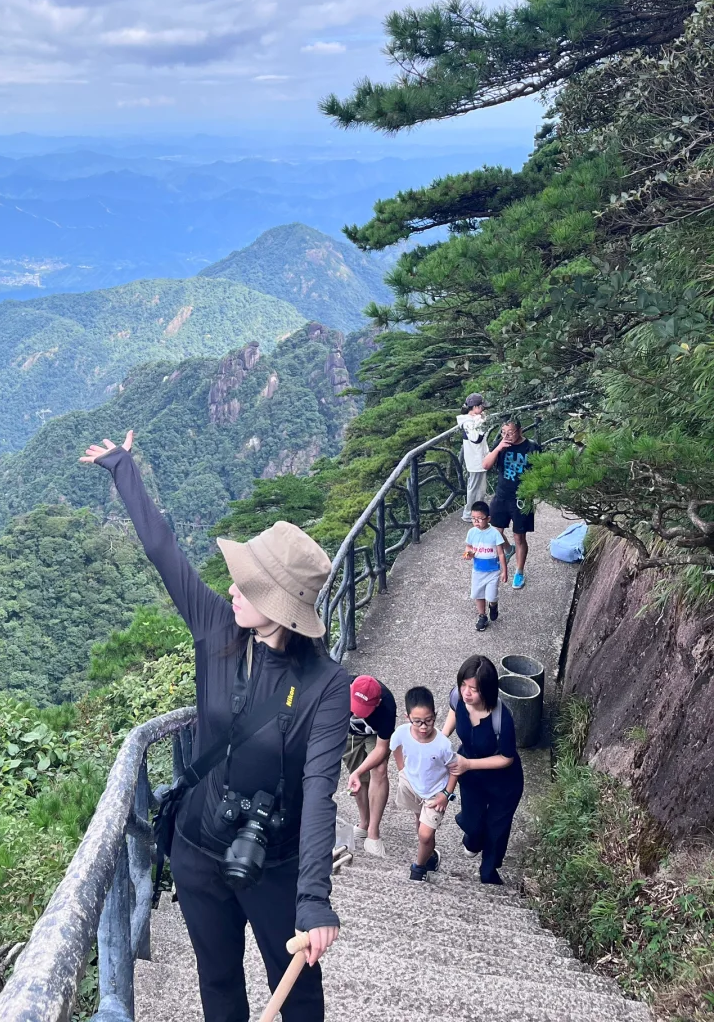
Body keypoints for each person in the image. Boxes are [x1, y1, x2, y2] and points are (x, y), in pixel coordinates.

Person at [80, 430, 350, 1022]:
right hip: (198, 852)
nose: (230, 586)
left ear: (279, 603)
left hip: (273, 862)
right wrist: (123, 470)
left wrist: (314, 901)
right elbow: (163, 551)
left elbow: (318, 795)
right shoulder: (217, 631)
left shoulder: (327, 687)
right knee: (219, 984)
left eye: (246, 584)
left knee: (301, 999)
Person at [442, 655, 524, 885]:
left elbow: (507, 758)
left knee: (496, 829)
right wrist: (441, 738)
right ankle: (473, 839)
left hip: (503, 782)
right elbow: (452, 711)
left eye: (474, 689)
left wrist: (468, 764)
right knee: (472, 820)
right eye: (464, 685)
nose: (467, 693)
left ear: (487, 691)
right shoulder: (458, 697)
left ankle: (488, 872)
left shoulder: (502, 719)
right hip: (471, 775)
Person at [390, 686, 456, 882]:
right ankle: (429, 856)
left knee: (425, 834)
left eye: (429, 721)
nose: (424, 727)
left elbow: (455, 769)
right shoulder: (402, 733)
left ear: (435, 715)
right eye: (417, 722)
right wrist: (402, 771)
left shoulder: (443, 744)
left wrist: (446, 793)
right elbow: (396, 748)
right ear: (407, 716)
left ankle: (418, 869)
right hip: (413, 786)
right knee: (419, 825)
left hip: (435, 793)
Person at [483, 417, 541, 589]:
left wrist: (532, 492)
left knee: (519, 536)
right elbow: (485, 465)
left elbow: (540, 472)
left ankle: (519, 571)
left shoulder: (532, 447)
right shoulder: (501, 445)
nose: (507, 435)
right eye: (503, 432)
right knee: (492, 530)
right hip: (502, 494)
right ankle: (508, 549)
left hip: (522, 497)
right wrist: (499, 447)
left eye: (511, 432)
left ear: (520, 431)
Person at [343, 675, 396, 857]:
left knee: (379, 770)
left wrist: (359, 771)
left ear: (377, 702)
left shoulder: (387, 705)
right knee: (357, 778)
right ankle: (364, 823)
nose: (356, 714)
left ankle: (373, 832)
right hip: (348, 734)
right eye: (355, 707)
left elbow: (381, 749)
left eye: (363, 710)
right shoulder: (337, 687)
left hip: (375, 735)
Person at [463, 500, 508, 632]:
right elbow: (469, 547)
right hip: (478, 571)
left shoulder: (495, 533)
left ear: (488, 518)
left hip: (493, 571)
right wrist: (468, 553)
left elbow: (501, 553)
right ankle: (482, 616)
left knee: (491, 596)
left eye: (480, 519)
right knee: (478, 594)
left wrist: (504, 571)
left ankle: (493, 605)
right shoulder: (472, 532)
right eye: (473, 519)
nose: (476, 522)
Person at [457, 393, 490, 521]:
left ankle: (477, 512)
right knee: (475, 488)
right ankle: (469, 513)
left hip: (479, 458)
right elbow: (475, 439)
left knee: (480, 488)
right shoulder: (468, 422)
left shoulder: (472, 420)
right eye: (482, 406)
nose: (483, 409)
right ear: (475, 407)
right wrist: (480, 423)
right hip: (475, 460)